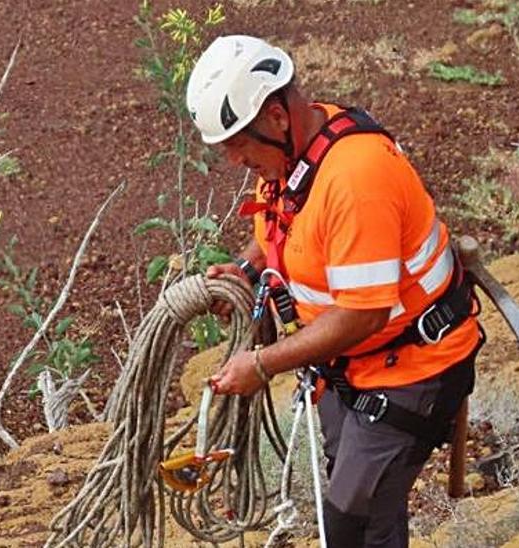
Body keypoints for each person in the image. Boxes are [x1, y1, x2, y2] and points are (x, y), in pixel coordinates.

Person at [187, 35, 484, 548]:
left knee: (353, 523)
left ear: (277, 117)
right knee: (365, 510)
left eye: (237, 144)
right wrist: (248, 270)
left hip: (413, 368)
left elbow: (363, 313)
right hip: (352, 368)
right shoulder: (293, 157)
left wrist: (262, 365)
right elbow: (292, 230)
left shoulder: (354, 177)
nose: (234, 160)